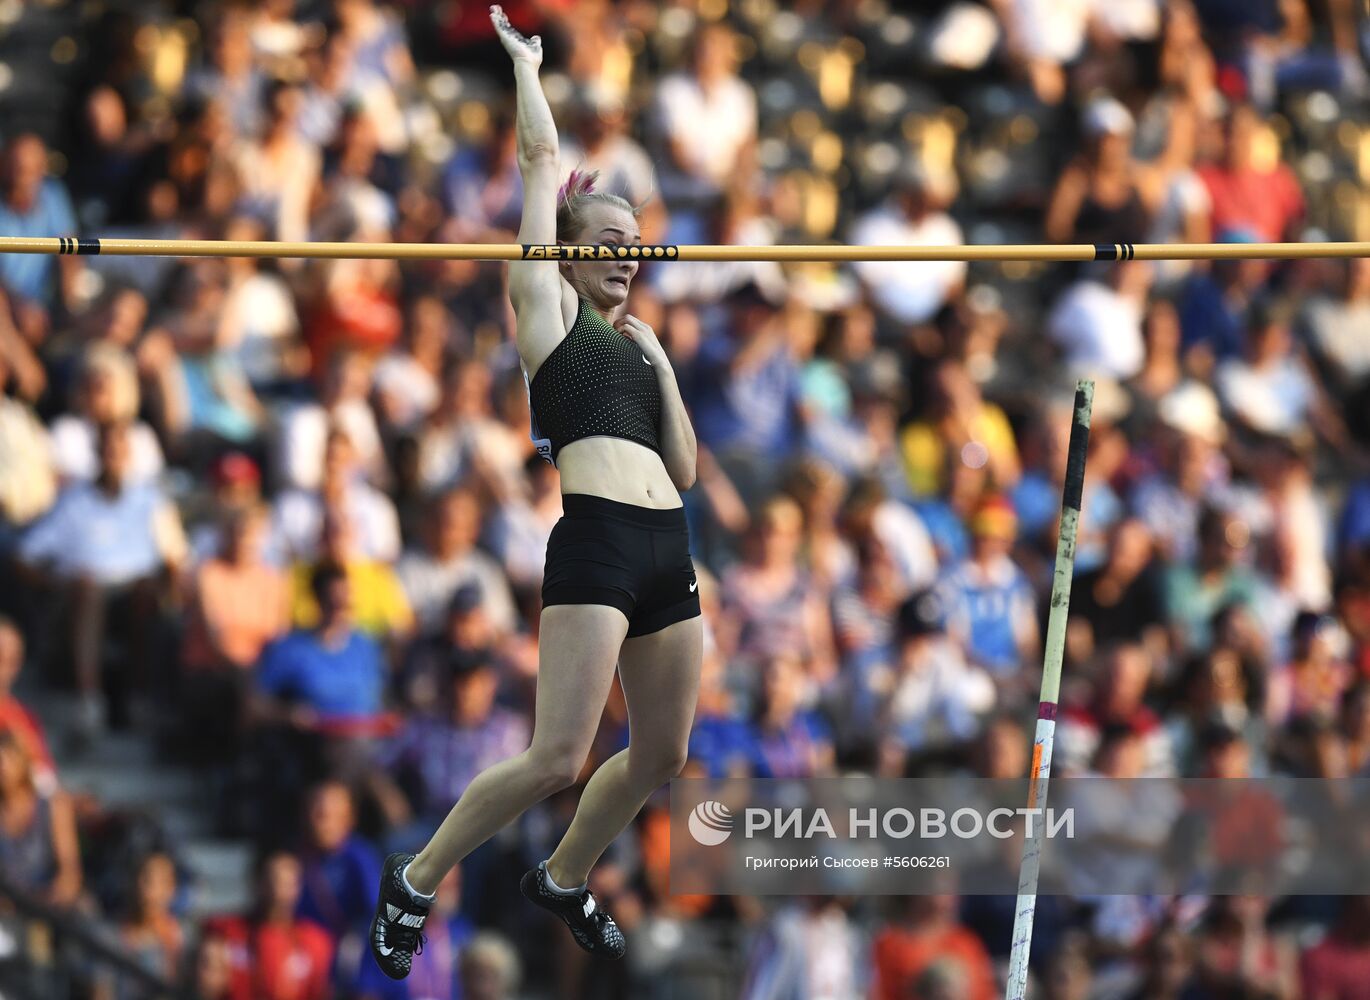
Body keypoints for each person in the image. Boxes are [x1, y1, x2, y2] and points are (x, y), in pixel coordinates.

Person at [369, 5, 702, 976]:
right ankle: (418, 874)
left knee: (663, 755)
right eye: (607, 236)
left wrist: (665, 369)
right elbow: (535, 168)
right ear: (566, 248)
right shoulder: (546, 311)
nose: (625, 252)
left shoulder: (640, 348)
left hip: (665, 542)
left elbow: (682, 467)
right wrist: (525, 71)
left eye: (635, 240)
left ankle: (562, 874)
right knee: (557, 753)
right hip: (596, 539)